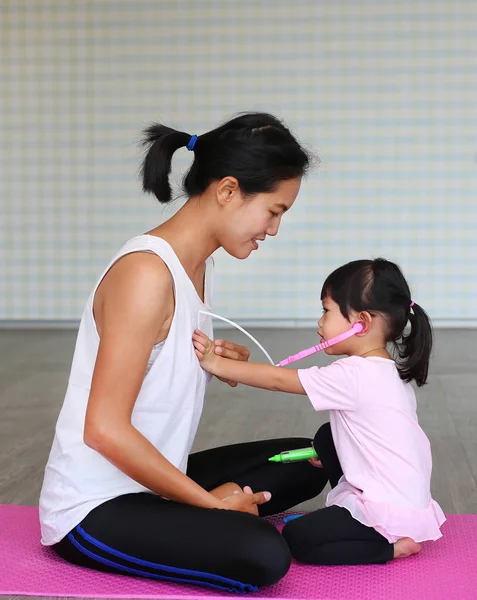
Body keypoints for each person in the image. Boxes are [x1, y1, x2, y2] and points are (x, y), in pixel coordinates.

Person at [39, 113, 327, 593]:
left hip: (152, 479)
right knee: (264, 554)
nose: (273, 230)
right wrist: (211, 505)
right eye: (274, 211)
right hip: (94, 506)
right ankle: (201, 515)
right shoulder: (146, 274)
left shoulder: (198, 265)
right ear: (228, 191)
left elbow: (154, 361)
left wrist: (208, 358)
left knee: (306, 460)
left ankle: (190, 512)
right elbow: (103, 429)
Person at [193, 258, 446, 566]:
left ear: (361, 323)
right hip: (406, 499)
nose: (319, 322)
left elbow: (276, 380)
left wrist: (216, 363)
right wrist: (331, 452)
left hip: (383, 511)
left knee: (297, 539)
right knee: (327, 436)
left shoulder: (352, 374)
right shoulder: (386, 372)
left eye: (326, 311)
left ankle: (389, 548)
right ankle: (376, 525)